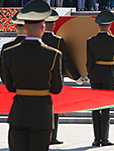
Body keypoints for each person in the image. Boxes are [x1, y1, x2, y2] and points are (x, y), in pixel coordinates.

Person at [0, 0, 63, 151]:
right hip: (42, 113)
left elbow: (9, 86)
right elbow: (56, 89)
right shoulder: (53, 55)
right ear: (43, 28)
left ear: (25, 28)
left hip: (19, 112)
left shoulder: (9, 53)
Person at [42, 10, 87, 145]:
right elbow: (66, 60)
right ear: (54, 25)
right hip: (55, 78)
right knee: (54, 108)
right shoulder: (58, 41)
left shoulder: (40, 39)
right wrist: (77, 77)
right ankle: (53, 136)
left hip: (39, 78)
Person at [86, 9, 114, 146]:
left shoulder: (91, 41)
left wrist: (90, 74)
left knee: (95, 108)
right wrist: (112, 54)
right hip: (109, 75)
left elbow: (89, 62)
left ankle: (96, 139)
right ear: (110, 25)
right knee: (106, 108)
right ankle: (104, 138)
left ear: (98, 25)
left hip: (95, 74)